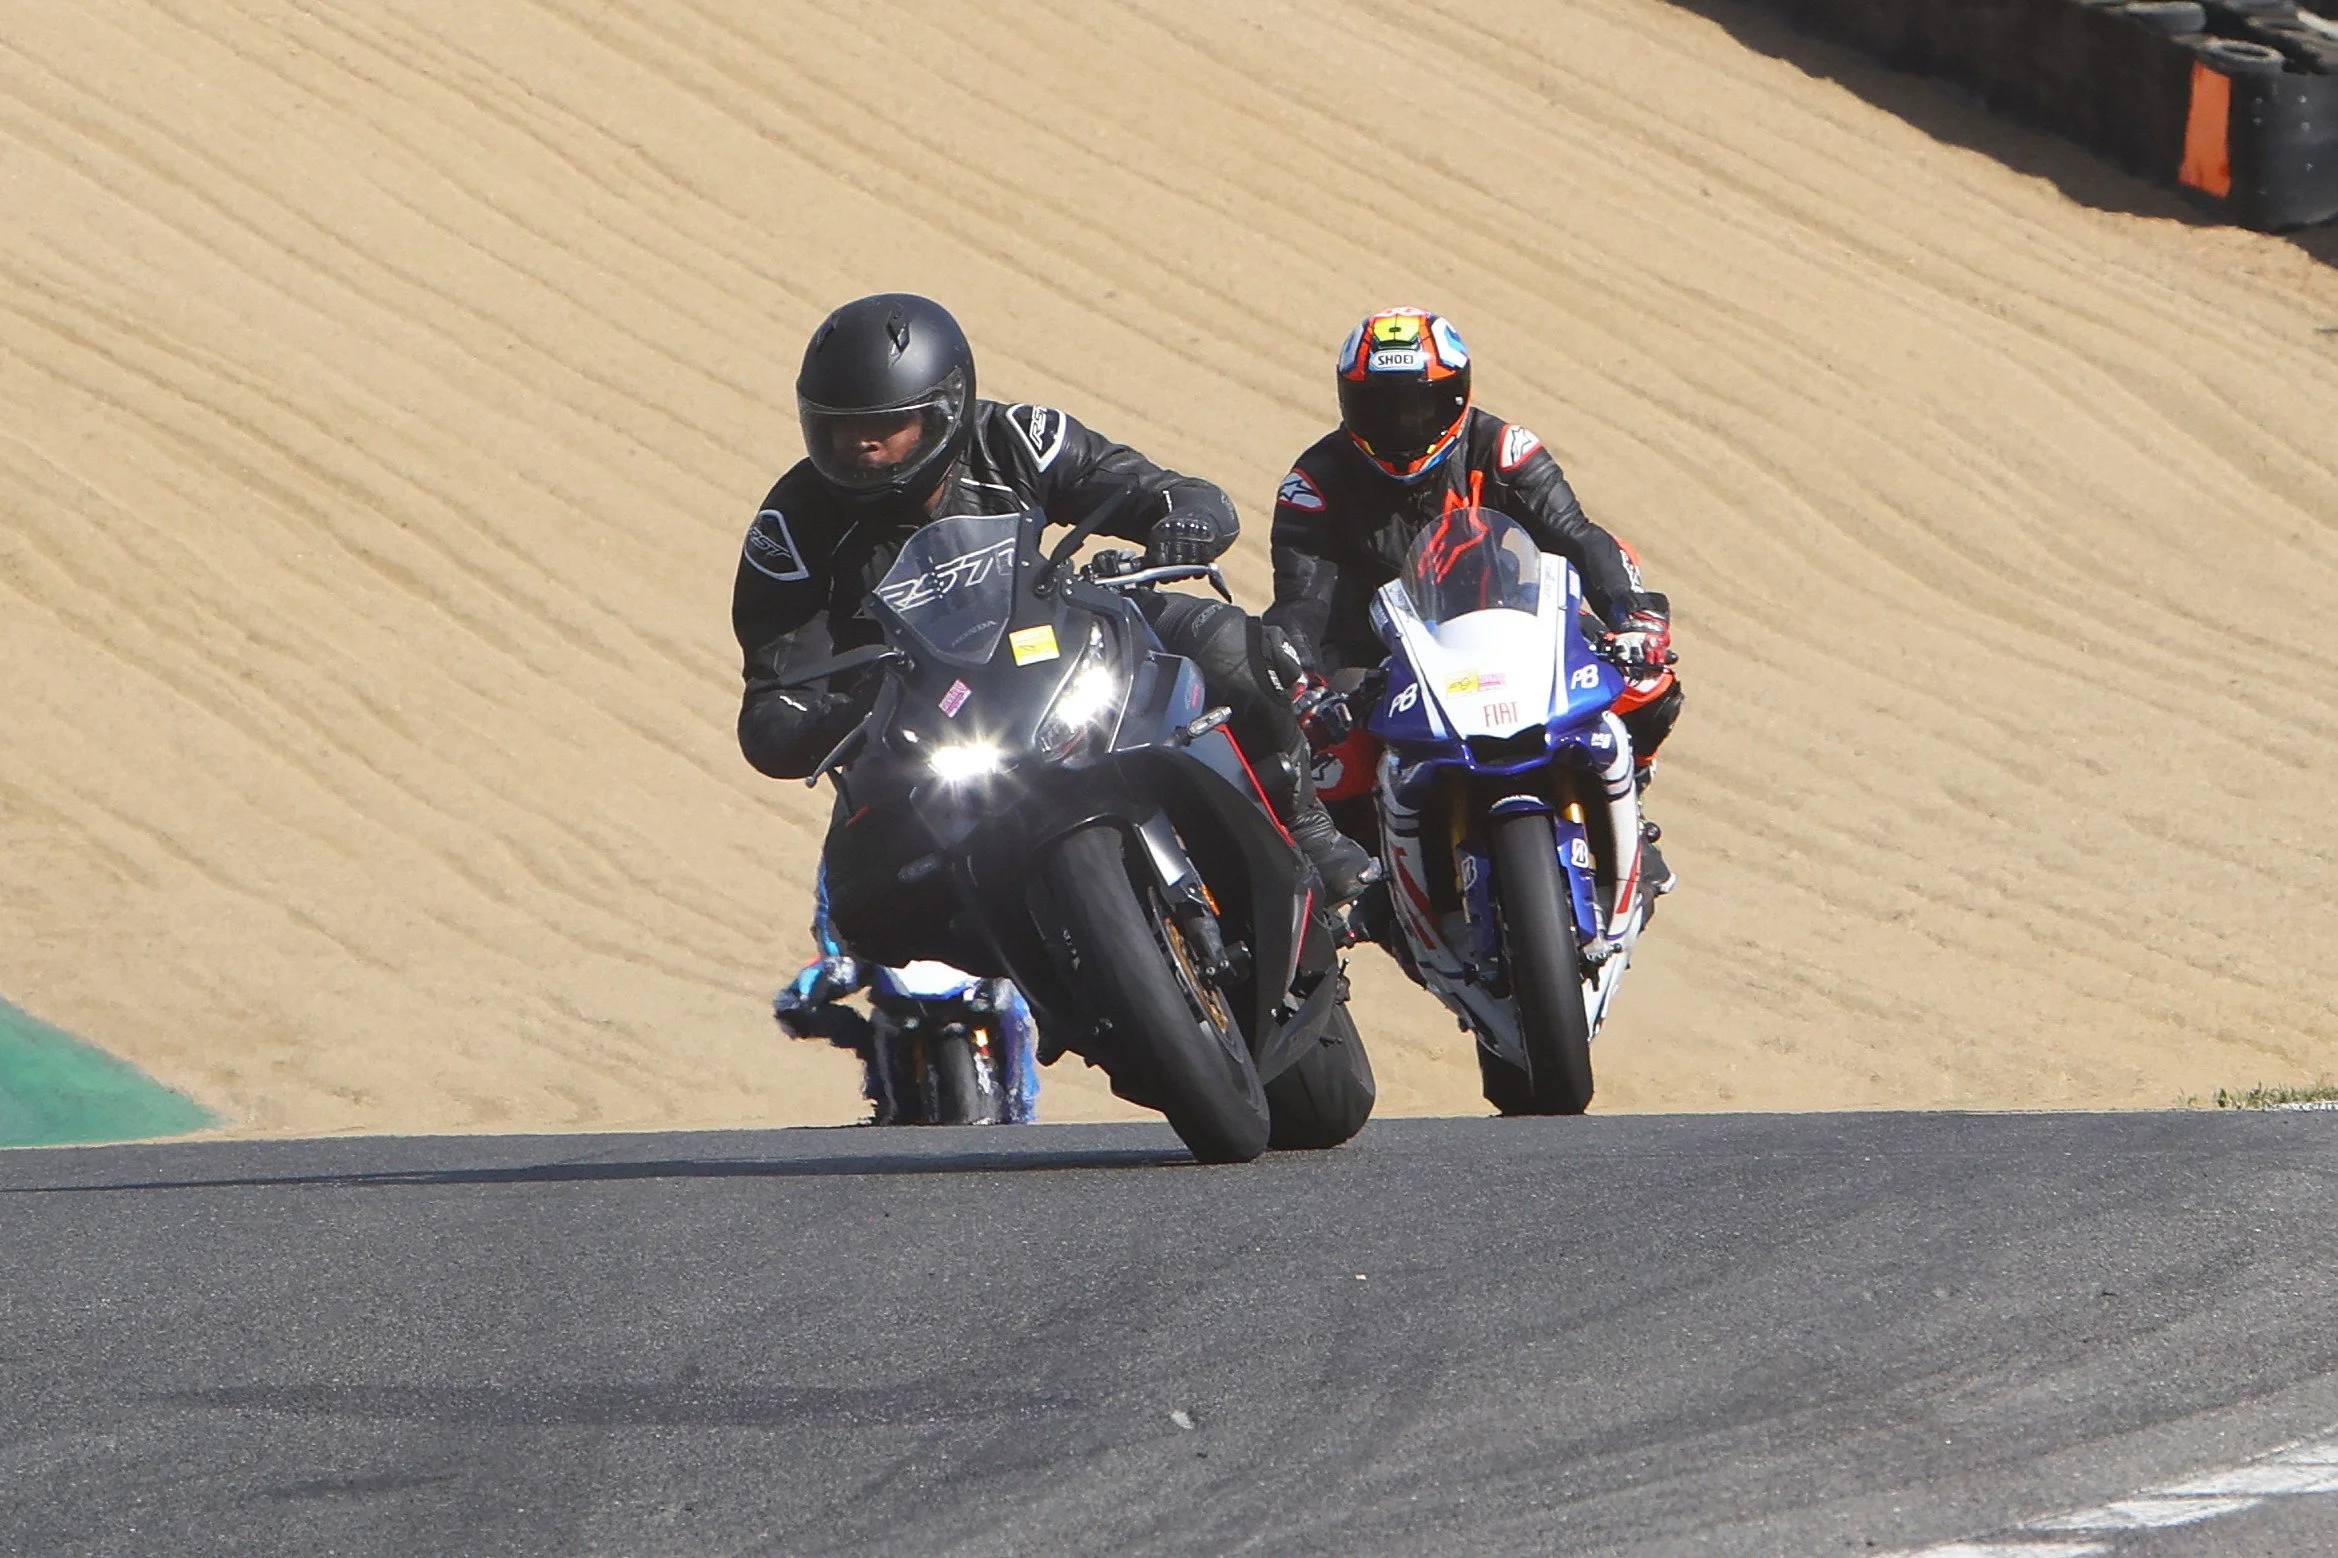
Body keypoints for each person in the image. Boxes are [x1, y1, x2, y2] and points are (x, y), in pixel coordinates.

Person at [731, 292, 1374, 965]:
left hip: (1065, 636)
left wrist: (1183, 520)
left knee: (1234, 648)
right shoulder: (790, 526)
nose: (859, 447)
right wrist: (822, 719)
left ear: (946, 409)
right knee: (862, 902)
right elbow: (773, 695)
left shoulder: (1014, 438)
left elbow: (1171, 491)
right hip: (923, 721)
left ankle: (1307, 827)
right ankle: (1046, 975)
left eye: (885, 426)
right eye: (839, 430)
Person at [1266, 306, 1683, 889]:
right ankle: (1372, 881)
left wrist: (1634, 616)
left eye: (1421, 406)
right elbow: (1300, 600)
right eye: (1380, 408)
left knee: (1648, 685)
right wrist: (1304, 682)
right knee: (1332, 762)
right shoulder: (1314, 481)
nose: (1403, 425)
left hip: (1515, 624)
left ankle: (1626, 805)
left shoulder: (1504, 448)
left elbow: (1578, 536)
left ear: (1459, 396)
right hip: (1378, 656)